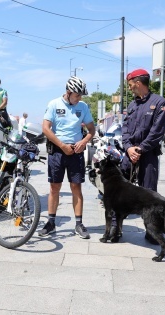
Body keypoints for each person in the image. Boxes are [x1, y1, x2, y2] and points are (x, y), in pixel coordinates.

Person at [39, 76, 95, 239]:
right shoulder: (54, 104)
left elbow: (92, 129)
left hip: (76, 151)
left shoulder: (82, 107)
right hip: (57, 150)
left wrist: (83, 142)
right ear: (69, 92)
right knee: (54, 187)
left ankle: (79, 224)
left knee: (76, 187)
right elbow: (46, 128)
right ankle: (50, 223)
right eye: (77, 95)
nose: (79, 99)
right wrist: (62, 145)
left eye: (81, 96)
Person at [122, 68, 165, 192]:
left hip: (147, 154)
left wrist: (140, 149)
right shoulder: (132, 105)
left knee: (148, 195)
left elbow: (157, 131)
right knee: (122, 192)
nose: (130, 88)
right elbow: (125, 128)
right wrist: (128, 147)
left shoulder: (160, 103)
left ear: (138, 83)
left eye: (130, 85)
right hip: (130, 153)